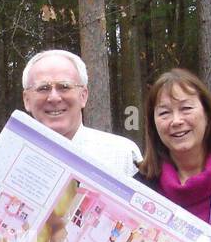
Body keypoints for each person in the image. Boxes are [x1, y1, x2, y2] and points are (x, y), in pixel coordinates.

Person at [134, 68, 211, 242]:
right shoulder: (140, 190)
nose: (176, 121)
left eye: (186, 108)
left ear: (207, 114)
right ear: (153, 124)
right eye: (164, 113)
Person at [21, 50, 141, 178]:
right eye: (43, 88)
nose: (54, 98)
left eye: (64, 86)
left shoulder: (122, 155)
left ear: (83, 96)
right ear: (27, 100)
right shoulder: (5, 156)